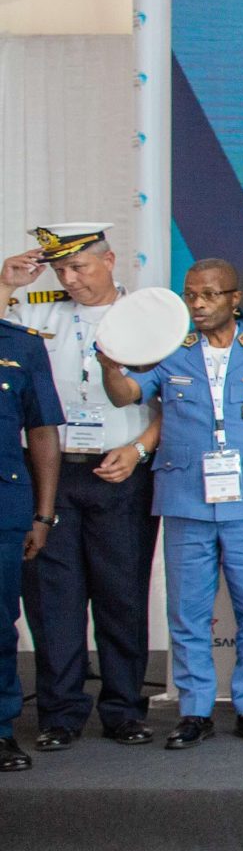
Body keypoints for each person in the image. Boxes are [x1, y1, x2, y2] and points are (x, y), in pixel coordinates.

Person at [101, 258, 243, 750]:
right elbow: (125, 395)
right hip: (184, 499)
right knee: (188, 611)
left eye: (210, 295)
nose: (198, 303)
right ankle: (194, 710)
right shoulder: (169, 354)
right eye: (191, 294)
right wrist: (111, 367)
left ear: (235, 299)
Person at [0, 224, 159, 751]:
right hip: (52, 473)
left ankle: (123, 708)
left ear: (111, 260)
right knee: (53, 601)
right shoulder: (38, 311)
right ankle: (60, 713)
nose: (70, 279)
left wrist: (138, 449)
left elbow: (177, 397)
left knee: (121, 595)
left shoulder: (149, 315)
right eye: (62, 269)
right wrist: (7, 286)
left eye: (80, 268)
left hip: (121, 469)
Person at [0, 309, 62, 772]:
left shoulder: (23, 345)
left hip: (6, 502)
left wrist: (43, 513)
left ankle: (2, 730)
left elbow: (42, 431)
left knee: (1, 624)